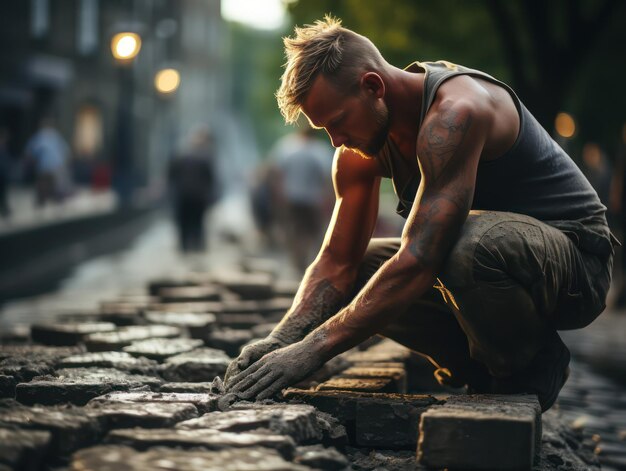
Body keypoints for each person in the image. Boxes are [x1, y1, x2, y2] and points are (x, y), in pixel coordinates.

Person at [224, 17, 617, 412]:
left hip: (578, 264)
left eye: (338, 122)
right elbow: (337, 262)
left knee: (464, 244)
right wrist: (280, 341)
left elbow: (421, 258)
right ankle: (475, 368)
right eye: (325, 129)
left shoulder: (455, 113)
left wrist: (311, 351)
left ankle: (528, 370)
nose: (336, 141)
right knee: (363, 271)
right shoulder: (356, 153)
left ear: (373, 87)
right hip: (494, 261)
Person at [270, 124, 334, 274]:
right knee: (312, 231)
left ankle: (298, 262)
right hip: (313, 199)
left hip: (291, 197)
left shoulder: (286, 146)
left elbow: (276, 173)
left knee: (294, 231)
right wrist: (327, 197)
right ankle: (309, 263)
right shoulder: (320, 150)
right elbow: (327, 177)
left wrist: (278, 193)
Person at [168, 125, 221, 252]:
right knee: (197, 222)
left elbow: (171, 176)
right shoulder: (205, 158)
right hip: (197, 196)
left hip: (185, 195)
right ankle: (197, 246)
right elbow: (210, 179)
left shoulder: (180, 156)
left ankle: (186, 247)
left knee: (185, 223)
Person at [24, 118, 72, 206]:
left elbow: (30, 151)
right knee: (53, 186)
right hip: (55, 166)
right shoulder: (53, 136)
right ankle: (52, 201)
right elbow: (66, 151)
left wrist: (32, 163)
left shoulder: (42, 136)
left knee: (46, 185)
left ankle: (43, 201)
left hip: (47, 167)